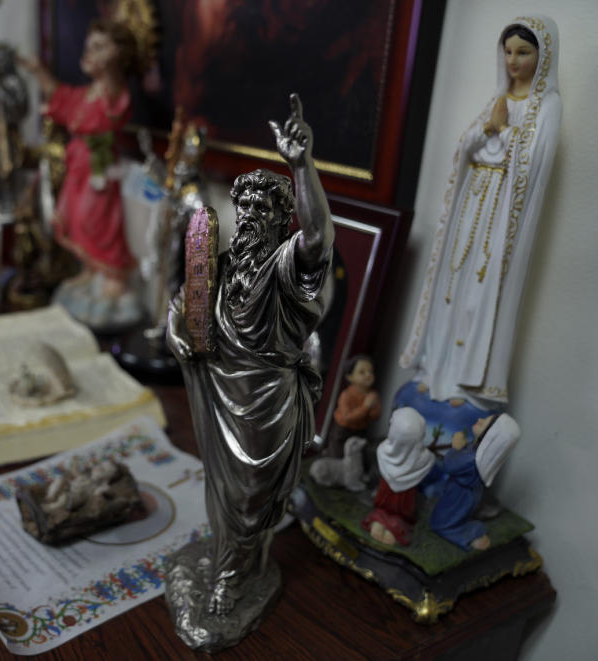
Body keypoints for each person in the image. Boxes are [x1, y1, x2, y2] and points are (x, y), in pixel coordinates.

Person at [166, 94, 333, 618]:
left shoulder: (285, 269)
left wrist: (300, 165)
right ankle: (231, 566)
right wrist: (176, 332)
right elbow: (182, 306)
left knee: (249, 502)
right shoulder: (216, 264)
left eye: (266, 208)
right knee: (221, 496)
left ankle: (234, 583)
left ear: (282, 220)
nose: (253, 215)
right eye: (247, 207)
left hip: (265, 405)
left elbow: (318, 236)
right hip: (218, 395)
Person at [399, 16, 561, 411]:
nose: (513, 60)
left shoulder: (548, 106)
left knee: (481, 291)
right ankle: (438, 368)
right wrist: (491, 128)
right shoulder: (498, 99)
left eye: (523, 52)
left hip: (502, 218)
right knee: (453, 283)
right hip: (473, 207)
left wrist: (502, 133)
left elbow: (533, 164)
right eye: (508, 51)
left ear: (543, 56)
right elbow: (466, 148)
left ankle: (468, 380)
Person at [22, 21, 140, 327]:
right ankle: (91, 269)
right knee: (74, 220)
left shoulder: (113, 91)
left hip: (98, 168)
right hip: (77, 167)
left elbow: (114, 94)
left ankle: (112, 274)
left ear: (118, 57)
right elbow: (60, 96)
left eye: (100, 48)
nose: (90, 53)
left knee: (97, 221)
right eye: (89, 47)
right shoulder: (87, 94)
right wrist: (38, 71)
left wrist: (112, 63)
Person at [424, 413, 521, 550]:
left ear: (490, 437)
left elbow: (449, 465)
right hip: (465, 493)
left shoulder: (473, 459)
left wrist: (455, 448)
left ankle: (468, 536)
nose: (479, 420)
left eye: (483, 423)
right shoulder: (477, 453)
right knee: (455, 515)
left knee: (440, 523)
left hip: (458, 495)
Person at [362, 407, 435, 546]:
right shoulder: (425, 459)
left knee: (388, 513)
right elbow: (430, 459)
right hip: (405, 503)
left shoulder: (383, 451)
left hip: (384, 498)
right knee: (397, 515)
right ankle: (390, 525)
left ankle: (385, 523)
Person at [323, 354, 381, 458]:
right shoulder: (346, 395)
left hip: (361, 430)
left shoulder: (372, 394)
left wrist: (373, 408)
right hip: (344, 430)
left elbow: (376, 416)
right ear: (350, 377)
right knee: (337, 453)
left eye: (370, 371)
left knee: (357, 454)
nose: (368, 375)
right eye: (362, 372)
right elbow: (347, 418)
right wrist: (366, 407)